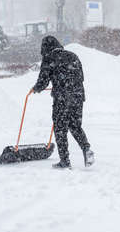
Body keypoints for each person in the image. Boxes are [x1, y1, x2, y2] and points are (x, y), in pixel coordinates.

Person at [32, 36, 94, 169]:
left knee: (60, 129)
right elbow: (81, 76)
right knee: (75, 126)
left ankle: (64, 161)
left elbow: (43, 81)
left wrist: (36, 88)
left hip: (62, 98)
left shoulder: (49, 58)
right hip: (78, 96)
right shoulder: (73, 55)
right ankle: (87, 149)